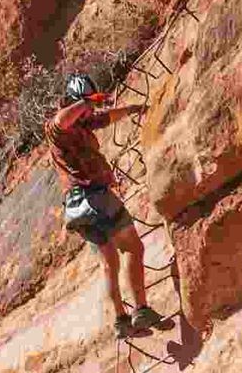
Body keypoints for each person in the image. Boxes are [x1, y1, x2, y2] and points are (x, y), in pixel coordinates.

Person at [46, 73, 171, 340]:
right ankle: (141, 309)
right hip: (94, 198)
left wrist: (133, 109)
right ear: (75, 101)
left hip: (78, 209)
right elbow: (60, 121)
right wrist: (86, 101)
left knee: (109, 263)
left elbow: (107, 116)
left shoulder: (84, 124)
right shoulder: (59, 127)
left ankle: (121, 321)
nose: (89, 111)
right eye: (85, 105)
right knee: (133, 247)